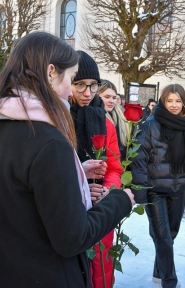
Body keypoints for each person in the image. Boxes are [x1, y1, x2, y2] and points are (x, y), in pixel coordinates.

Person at [0, 31, 135, 288]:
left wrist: (74, 175)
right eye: (73, 79)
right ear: (51, 72)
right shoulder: (48, 141)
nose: (74, 92)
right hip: (45, 273)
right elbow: (72, 237)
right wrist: (120, 201)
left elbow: (19, 189)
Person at [131, 84, 185, 288]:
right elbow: (139, 158)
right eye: (170, 100)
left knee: (170, 235)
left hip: (179, 190)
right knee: (162, 236)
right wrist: (141, 192)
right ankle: (170, 282)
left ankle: (158, 271)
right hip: (155, 190)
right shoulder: (150, 125)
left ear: (184, 103)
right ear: (163, 101)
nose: (174, 105)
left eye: (178, 101)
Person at [70, 51, 124, 288]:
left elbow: (114, 168)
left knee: (101, 265)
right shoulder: (57, 118)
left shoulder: (105, 122)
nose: (87, 93)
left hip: (99, 206)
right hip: (68, 206)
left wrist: (107, 192)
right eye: (79, 85)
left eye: (93, 86)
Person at [98, 79, 130, 161]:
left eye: (114, 97)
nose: (111, 101)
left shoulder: (121, 118)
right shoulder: (95, 118)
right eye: (107, 97)